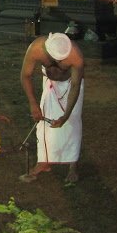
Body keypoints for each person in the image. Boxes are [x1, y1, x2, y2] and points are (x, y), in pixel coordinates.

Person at [19, 32, 84, 184]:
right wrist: (33, 104)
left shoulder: (75, 55)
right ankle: (44, 162)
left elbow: (75, 85)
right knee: (42, 121)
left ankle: (72, 165)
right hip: (49, 82)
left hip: (70, 85)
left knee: (72, 123)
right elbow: (25, 75)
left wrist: (66, 115)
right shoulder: (36, 48)